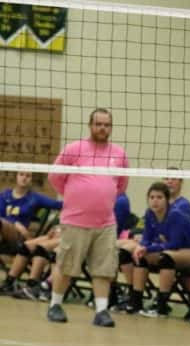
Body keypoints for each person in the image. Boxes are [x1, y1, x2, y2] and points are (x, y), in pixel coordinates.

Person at [46, 108, 129, 328]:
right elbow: (55, 178)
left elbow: (121, 185)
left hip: (105, 223)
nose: (102, 128)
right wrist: (77, 195)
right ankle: (55, 305)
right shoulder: (74, 149)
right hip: (75, 221)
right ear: (90, 125)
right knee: (67, 265)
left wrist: (99, 195)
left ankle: (101, 311)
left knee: (104, 268)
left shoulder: (119, 153)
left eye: (107, 125)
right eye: (98, 124)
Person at [130, 182, 190, 317]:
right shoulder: (150, 213)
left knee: (165, 258)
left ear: (167, 200)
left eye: (159, 197)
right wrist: (142, 247)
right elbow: (146, 238)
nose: (155, 201)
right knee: (141, 257)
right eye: (152, 197)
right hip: (177, 250)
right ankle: (136, 304)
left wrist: (149, 247)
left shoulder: (175, 214)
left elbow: (174, 243)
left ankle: (161, 308)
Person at [0, 171, 62, 293]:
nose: (24, 178)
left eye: (28, 176)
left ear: (31, 180)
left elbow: (58, 205)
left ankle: (28, 285)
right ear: (16, 176)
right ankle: (9, 282)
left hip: (19, 239)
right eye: (21, 175)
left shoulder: (34, 197)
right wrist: (15, 224)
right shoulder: (4, 195)